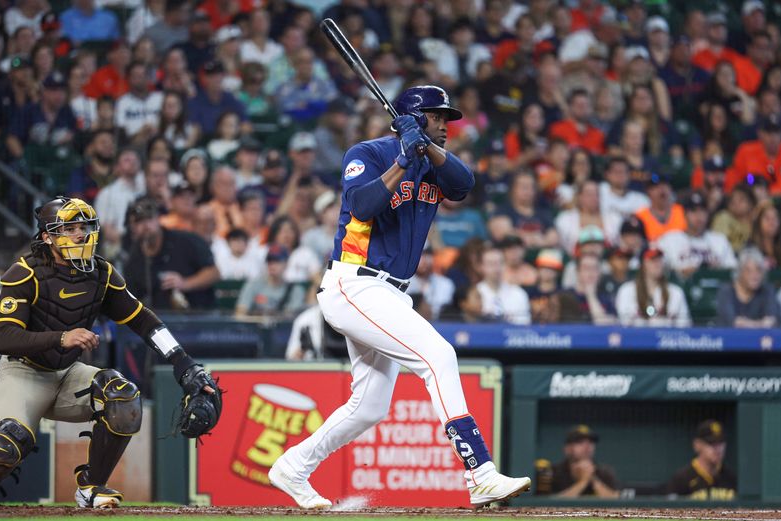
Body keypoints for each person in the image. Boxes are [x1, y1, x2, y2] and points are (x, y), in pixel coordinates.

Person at [269, 85, 532, 509]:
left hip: (391, 293)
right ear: (415, 115)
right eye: (438, 117)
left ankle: (294, 465)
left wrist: (423, 148)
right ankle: (480, 473)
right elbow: (362, 202)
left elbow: (465, 184)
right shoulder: (367, 152)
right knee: (439, 356)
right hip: (354, 283)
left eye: (448, 118)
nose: (446, 125)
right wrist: (402, 160)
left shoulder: (433, 161)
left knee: (370, 406)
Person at [0, 196, 218, 507]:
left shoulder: (101, 274)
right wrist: (61, 337)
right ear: (47, 237)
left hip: (67, 373)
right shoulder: (23, 273)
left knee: (122, 396)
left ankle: (91, 487)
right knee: (5, 446)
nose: (80, 234)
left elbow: (144, 321)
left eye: (84, 226)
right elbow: (2, 336)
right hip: (24, 371)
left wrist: (185, 363)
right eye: (69, 228)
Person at [123, 199, 219, 310]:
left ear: (158, 219)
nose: (145, 225)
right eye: (139, 221)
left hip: (200, 315)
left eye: (149, 219)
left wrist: (185, 283)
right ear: (132, 227)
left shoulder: (186, 241)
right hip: (160, 322)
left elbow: (214, 273)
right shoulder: (133, 258)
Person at [657, 192, 737, 278]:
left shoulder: (719, 240)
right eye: (693, 211)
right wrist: (678, 272)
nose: (699, 216)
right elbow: (657, 268)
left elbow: (732, 271)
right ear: (684, 214)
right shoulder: (669, 239)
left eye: (702, 211)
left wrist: (717, 269)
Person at [534, 425, 619, 498]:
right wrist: (583, 482)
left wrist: (592, 479)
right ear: (567, 449)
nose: (587, 446)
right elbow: (546, 506)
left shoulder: (604, 472)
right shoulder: (552, 472)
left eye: (591, 442)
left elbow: (616, 501)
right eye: (580, 442)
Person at [615, 246, 692, 327]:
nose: (658, 264)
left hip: (665, 338)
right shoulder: (627, 290)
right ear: (642, 265)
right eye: (652, 260)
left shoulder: (676, 292)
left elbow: (685, 327)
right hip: (636, 338)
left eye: (660, 260)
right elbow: (624, 325)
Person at [666, 420, 737, 500]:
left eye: (720, 442)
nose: (718, 449)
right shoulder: (681, 479)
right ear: (697, 445)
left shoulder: (732, 478)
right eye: (711, 443)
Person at [716, 247, 781, 328]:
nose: (755, 276)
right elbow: (733, 322)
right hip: (730, 339)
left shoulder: (767, 290)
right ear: (739, 272)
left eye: (758, 270)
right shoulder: (726, 291)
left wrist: (746, 323)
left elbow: (772, 320)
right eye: (748, 270)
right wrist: (761, 324)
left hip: (760, 339)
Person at [234, 245, 305, 316]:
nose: (272, 265)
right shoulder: (253, 285)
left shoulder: (295, 290)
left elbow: (290, 317)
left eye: (277, 261)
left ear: (286, 264)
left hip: (282, 326)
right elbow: (240, 312)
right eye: (269, 261)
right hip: (255, 325)